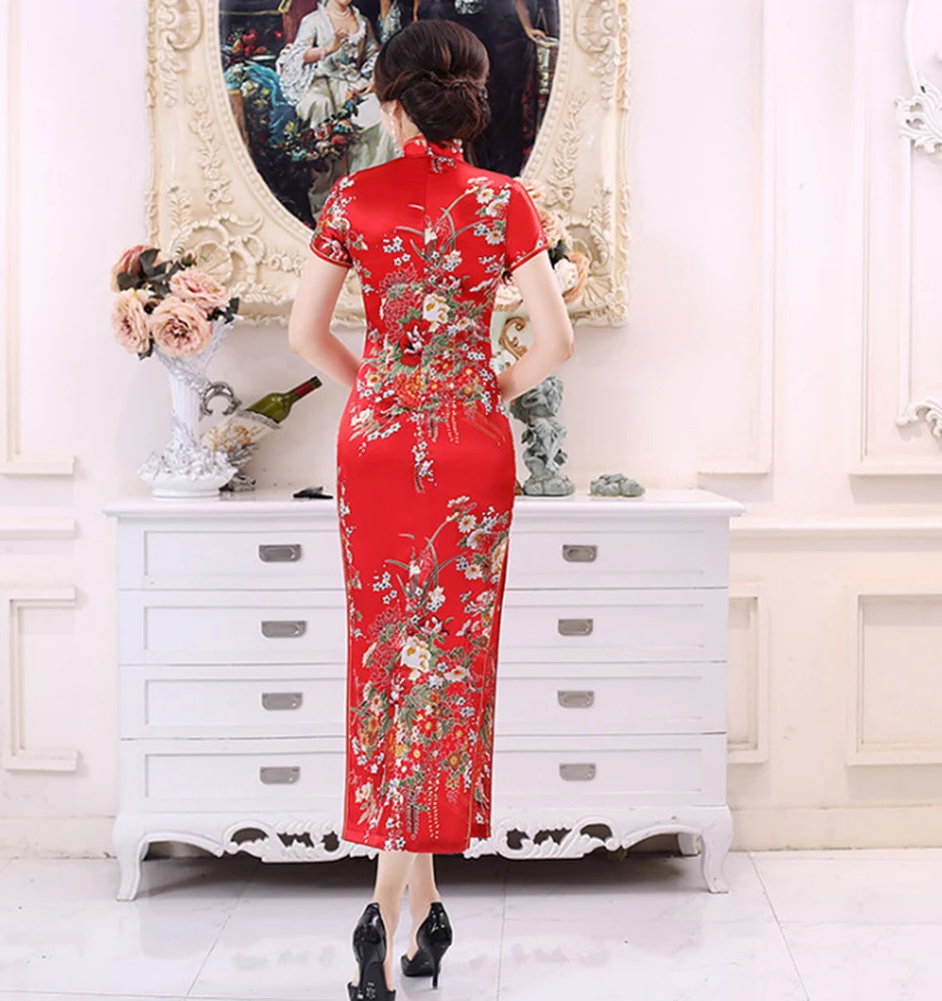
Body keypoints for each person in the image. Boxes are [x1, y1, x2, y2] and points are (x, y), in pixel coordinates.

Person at [286, 18, 574, 1001]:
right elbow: (553, 344)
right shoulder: (504, 202)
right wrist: (483, 389)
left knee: (385, 663)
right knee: (447, 668)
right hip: (469, 446)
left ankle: (395, 910)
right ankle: (409, 908)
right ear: (469, 99)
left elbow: (305, 334)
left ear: (389, 100)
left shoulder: (351, 198)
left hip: (374, 445)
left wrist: (380, 391)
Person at [275, 0, 395, 218]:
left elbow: (373, 54)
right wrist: (327, 49)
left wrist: (373, 79)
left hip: (353, 86)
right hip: (322, 82)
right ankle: (327, 200)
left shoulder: (361, 21)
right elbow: (297, 56)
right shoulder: (313, 21)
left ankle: (367, 196)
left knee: (380, 116)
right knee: (322, 109)